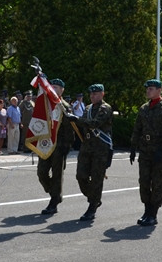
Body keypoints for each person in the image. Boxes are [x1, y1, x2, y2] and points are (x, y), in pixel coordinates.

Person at [130, 79, 162, 226]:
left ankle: (153, 213)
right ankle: (146, 210)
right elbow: (137, 128)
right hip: (145, 151)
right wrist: (133, 147)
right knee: (144, 181)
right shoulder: (144, 108)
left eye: (151, 88)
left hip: (159, 152)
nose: (148, 91)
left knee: (157, 182)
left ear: (159, 90)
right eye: (147, 88)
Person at [72, 84, 113, 221]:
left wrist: (76, 119)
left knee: (96, 178)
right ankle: (94, 198)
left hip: (100, 148)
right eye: (91, 94)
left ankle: (92, 206)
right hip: (86, 147)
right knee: (81, 176)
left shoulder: (105, 108)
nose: (92, 96)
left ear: (102, 94)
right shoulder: (88, 108)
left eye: (95, 94)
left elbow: (94, 123)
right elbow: (83, 124)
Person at [37, 78, 74, 215]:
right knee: (41, 172)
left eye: (57, 87)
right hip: (45, 145)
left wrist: (67, 146)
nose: (54, 89)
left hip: (59, 146)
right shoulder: (46, 104)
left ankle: (54, 202)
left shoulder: (64, 106)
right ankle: (54, 193)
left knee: (57, 175)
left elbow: (70, 128)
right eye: (52, 87)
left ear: (62, 90)